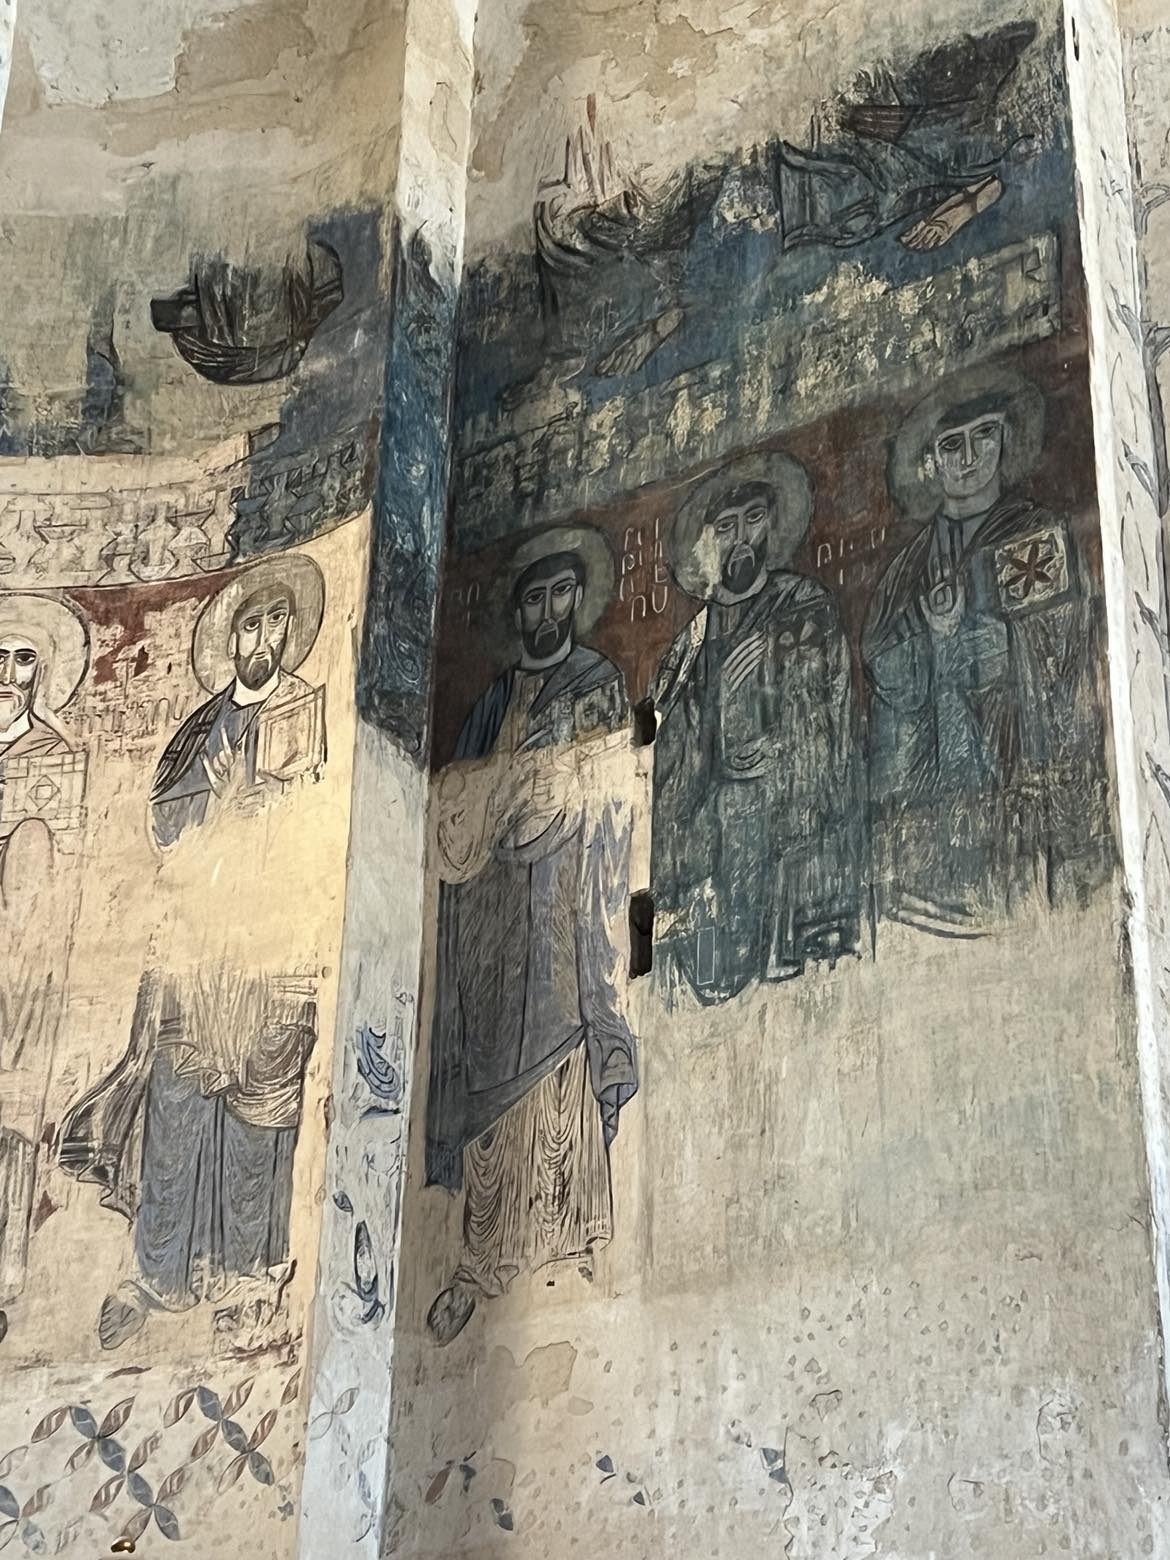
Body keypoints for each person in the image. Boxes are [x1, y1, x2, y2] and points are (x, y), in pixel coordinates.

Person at [425, 526, 637, 1345]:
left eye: (561, 595)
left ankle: (570, 1245)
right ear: (516, 612)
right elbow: (453, 812)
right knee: (490, 1097)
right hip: (494, 927)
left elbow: (610, 798)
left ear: (579, 600)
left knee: (559, 1070)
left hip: (561, 917)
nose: (548, 612)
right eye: (534, 598)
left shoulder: (597, 686)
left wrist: (548, 797)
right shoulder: (491, 705)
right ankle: (481, 1263)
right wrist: (499, 797)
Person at [862, 366, 1110, 934]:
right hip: (935, 804)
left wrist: (1009, 648)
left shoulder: (1034, 535)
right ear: (932, 461)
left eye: (984, 435)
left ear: (1006, 438)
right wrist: (936, 645)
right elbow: (882, 668)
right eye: (952, 445)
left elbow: (1071, 651)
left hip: (1016, 783)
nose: (969, 458)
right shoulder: (907, 569)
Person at [652, 452, 862, 1005]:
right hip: (719, 832)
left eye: (753, 518)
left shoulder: (802, 605)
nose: (741, 538)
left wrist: (781, 745)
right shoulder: (689, 647)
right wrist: (717, 724)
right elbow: (667, 761)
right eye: (725, 526)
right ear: (706, 542)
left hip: (789, 819)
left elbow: (828, 715)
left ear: (772, 524)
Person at [59, 967, 317, 1350]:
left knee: (257, 1133)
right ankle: (158, 1275)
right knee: (175, 1112)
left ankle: (249, 1282)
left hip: (275, 984)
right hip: (197, 979)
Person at [0, 592, 89, 1342]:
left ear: (44, 672)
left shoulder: (54, 759)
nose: (7, 672)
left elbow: (57, 884)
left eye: (23, 658)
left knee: (9, 1124)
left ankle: (5, 1271)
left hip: (18, 983)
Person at [151, 555, 326, 847]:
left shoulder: (300, 704)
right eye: (252, 625)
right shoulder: (200, 726)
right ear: (231, 642)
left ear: (290, 627)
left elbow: (319, 796)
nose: (264, 640)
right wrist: (217, 803)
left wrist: (279, 795)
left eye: (276, 619)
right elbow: (163, 819)